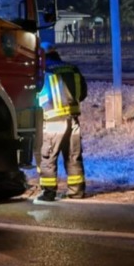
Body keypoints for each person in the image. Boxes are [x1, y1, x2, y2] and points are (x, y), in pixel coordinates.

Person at [35, 49, 88, 201]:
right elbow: (83, 93)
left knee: (48, 157)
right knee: (73, 156)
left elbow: (37, 94)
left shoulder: (44, 71)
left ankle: (48, 192)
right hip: (73, 120)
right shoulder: (73, 69)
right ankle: (76, 191)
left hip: (53, 121)